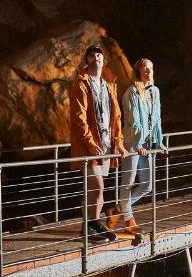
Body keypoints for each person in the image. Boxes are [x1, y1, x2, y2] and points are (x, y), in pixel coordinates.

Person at [69, 45, 126, 242]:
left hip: (106, 145)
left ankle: (88, 230)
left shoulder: (109, 84)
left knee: (94, 191)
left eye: (99, 55)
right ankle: (94, 226)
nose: (96, 58)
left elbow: (116, 117)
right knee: (98, 187)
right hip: (90, 147)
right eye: (92, 55)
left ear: (103, 60)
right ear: (87, 61)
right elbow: (78, 118)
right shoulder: (81, 84)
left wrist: (118, 142)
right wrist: (90, 143)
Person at [119, 58, 166, 242]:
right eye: (145, 68)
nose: (148, 71)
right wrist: (138, 145)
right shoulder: (130, 93)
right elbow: (133, 122)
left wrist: (159, 142)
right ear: (138, 71)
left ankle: (119, 208)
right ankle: (128, 218)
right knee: (128, 182)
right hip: (132, 143)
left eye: (151, 68)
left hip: (148, 144)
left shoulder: (155, 91)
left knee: (147, 185)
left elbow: (157, 119)